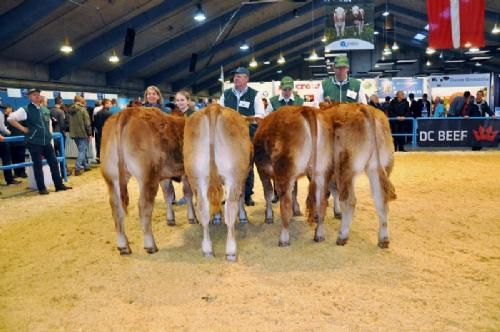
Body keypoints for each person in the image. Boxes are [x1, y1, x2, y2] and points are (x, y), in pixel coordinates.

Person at [7, 88, 72, 194]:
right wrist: (23, 129)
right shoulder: (25, 109)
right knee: (37, 165)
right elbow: (10, 119)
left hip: (46, 141)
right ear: (29, 97)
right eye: (34, 95)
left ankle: (59, 185)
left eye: (38, 95)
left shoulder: (45, 110)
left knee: (54, 163)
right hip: (34, 142)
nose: (37, 96)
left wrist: (49, 135)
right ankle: (42, 188)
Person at [219, 66, 266, 206]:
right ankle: (229, 194)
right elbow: (219, 112)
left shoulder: (255, 95)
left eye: (239, 76)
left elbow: (260, 116)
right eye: (235, 76)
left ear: (247, 78)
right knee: (226, 166)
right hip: (228, 136)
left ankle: (247, 195)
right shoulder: (226, 94)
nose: (235, 78)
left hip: (247, 135)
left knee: (247, 166)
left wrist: (242, 118)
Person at [268, 76, 304, 203]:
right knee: (275, 167)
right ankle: (277, 193)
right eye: (285, 89)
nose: (287, 91)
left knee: (293, 168)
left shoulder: (300, 101)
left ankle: (294, 197)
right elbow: (268, 119)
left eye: (289, 89)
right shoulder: (273, 102)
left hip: (294, 140)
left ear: (292, 89)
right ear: (280, 88)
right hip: (276, 140)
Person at [68, 95, 92, 176]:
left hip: (74, 133)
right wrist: (89, 133)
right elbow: (87, 123)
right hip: (82, 133)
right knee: (82, 151)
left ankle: (86, 166)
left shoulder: (70, 109)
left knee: (82, 150)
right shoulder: (82, 109)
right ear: (81, 100)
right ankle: (77, 168)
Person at [4, 105, 27, 178]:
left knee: (21, 157)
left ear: (10, 109)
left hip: (20, 141)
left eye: (6, 108)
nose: (5, 110)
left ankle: (22, 172)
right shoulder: (4, 119)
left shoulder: (17, 117)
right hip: (11, 142)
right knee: (14, 158)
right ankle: (17, 172)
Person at [0, 106, 21, 185]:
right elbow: (2, 128)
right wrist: (8, 132)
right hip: (2, 139)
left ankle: (9, 179)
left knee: (7, 160)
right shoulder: (0, 113)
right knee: (6, 159)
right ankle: (9, 179)